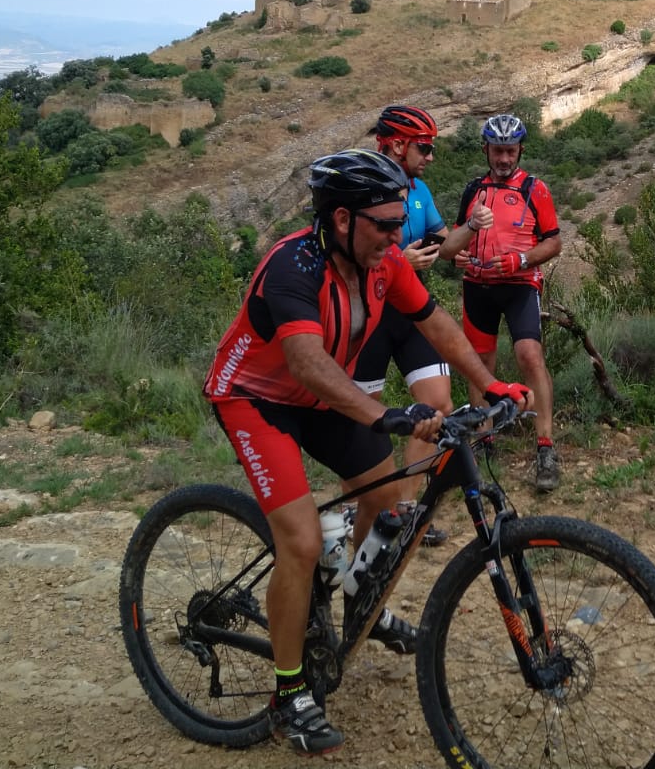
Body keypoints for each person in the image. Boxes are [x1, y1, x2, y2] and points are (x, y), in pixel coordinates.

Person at [203, 148, 530, 755]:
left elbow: (434, 323)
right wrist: (384, 415)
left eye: (400, 221)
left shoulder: (383, 262)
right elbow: (307, 362)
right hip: (255, 399)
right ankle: (288, 693)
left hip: (320, 395)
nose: (396, 235)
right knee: (301, 541)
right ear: (342, 220)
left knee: (388, 501)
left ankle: (359, 603)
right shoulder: (292, 267)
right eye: (384, 224)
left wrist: (490, 384)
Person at [355, 103, 495, 546]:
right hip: (368, 315)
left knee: (437, 406)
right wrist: (400, 260)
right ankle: (368, 510)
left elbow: (445, 247)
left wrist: (471, 226)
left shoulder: (419, 191)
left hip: (411, 313)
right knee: (366, 420)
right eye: (425, 147)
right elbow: (351, 256)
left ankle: (405, 507)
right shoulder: (363, 188)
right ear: (397, 145)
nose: (431, 156)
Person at [453, 113, 564, 491]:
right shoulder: (473, 189)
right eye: (498, 151)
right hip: (477, 285)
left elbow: (554, 241)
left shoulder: (536, 188)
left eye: (510, 151)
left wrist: (522, 259)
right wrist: (458, 254)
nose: (504, 159)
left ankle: (545, 446)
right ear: (486, 150)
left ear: (520, 151)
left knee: (529, 355)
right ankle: (484, 440)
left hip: (519, 285)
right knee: (479, 364)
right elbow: (457, 235)